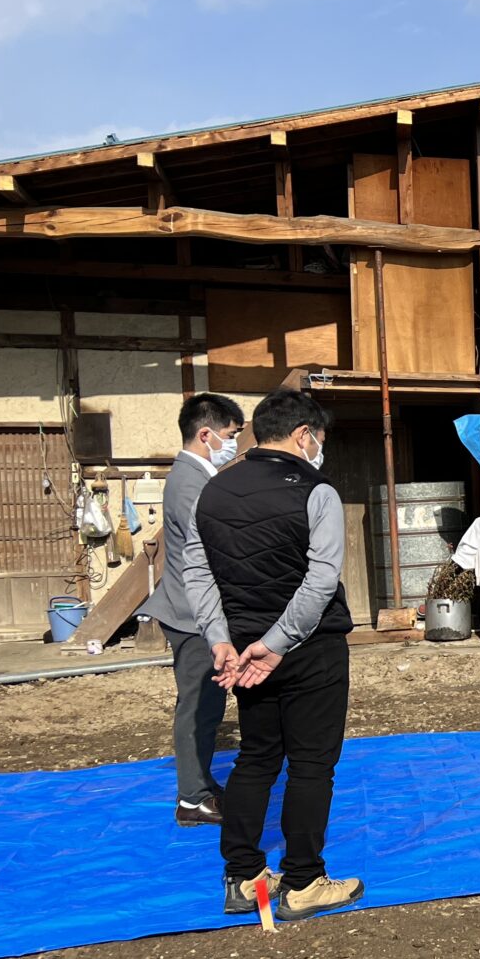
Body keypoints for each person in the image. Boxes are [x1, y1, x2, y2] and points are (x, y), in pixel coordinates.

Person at [186, 389, 364, 921]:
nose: (319, 450)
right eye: (320, 440)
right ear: (304, 435)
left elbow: (198, 572)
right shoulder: (317, 491)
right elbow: (321, 578)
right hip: (308, 647)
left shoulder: (215, 491)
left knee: (257, 756)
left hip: (243, 646)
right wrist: (279, 642)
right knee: (311, 763)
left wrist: (222, 640)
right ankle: (304, 881)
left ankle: (243, 876)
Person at [140, 393, 245, 826]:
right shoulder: (190, 481)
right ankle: (192, 797)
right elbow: (212, 546)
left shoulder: (195, 475)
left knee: (209, 704)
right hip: (191, 613)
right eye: (231, 435)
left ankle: (200, 785)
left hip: (196, 609)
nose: (233, 443)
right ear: (206, 434)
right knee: (199, 705)